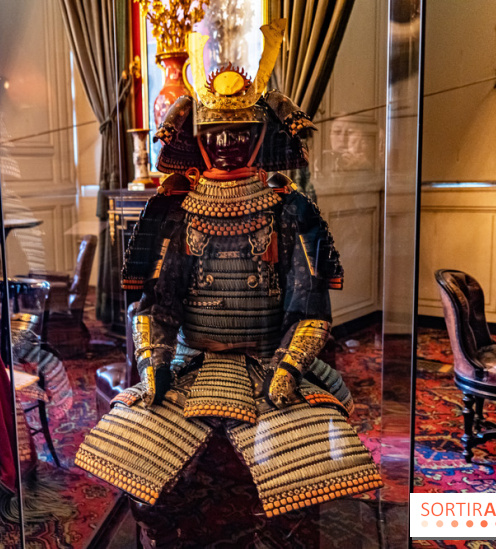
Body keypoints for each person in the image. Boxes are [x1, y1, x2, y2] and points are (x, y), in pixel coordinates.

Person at [76, 19, 381, 538]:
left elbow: (309, 311)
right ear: (196, 134)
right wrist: (152, 366)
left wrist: (287, 369)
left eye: (238, 133)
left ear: (261, 134)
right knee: (139, 453)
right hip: (188, 361)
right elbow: (156, 305)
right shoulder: (176, 209)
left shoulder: (289, 210)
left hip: (271, 361)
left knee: (311, 461)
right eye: (213, 133)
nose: (224, 143)